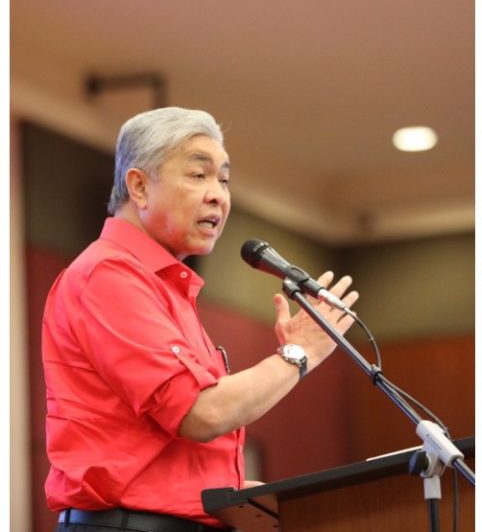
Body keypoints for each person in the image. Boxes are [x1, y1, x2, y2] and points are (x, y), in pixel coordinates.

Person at [42, 107, 358, 531]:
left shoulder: (164, 286)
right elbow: (201, 413)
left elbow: (168, 447)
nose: (218, 196)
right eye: (198, 175)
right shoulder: (108, 275)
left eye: (224, 180)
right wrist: (298, 355)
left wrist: (241, 493)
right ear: (138, 186)